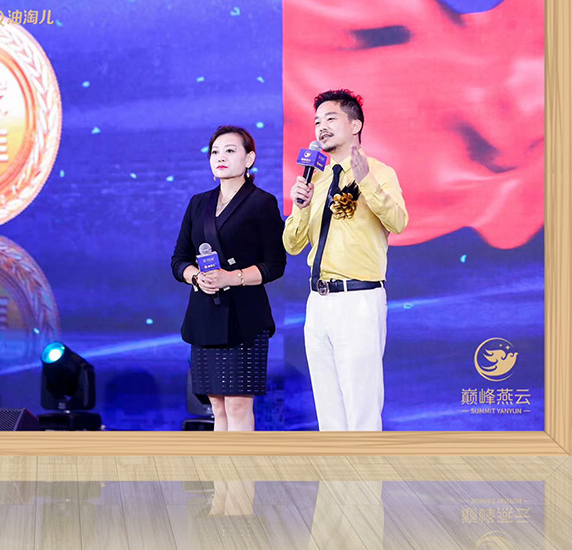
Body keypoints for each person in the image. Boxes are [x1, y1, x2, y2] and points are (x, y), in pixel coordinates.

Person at [283, 90, 408, 431]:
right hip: (318, 302)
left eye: (330, 118)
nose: (321, 127)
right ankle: (336, 467)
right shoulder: (315, 179)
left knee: (361, 405)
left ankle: (364, 467)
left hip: (358, 299)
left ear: (355, 125)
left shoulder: (379, 172)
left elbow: (398, 221)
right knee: (328, 408)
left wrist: (365, 180)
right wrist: (300, 206)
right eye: (317, 122)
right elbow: (292, 245)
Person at [171, 126, 286, 432]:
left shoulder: (262, 202)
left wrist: (230, 278)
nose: (220, 157)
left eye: (230, 151)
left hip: (244, 317)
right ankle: (221, 465)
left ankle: (240, 464)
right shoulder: (198, 203)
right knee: (217, 405)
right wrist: (197, 277)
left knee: (237, 403)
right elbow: (178, 260)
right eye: (215, 152)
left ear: (249, 159)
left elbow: (275, 265)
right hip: (204, 315)